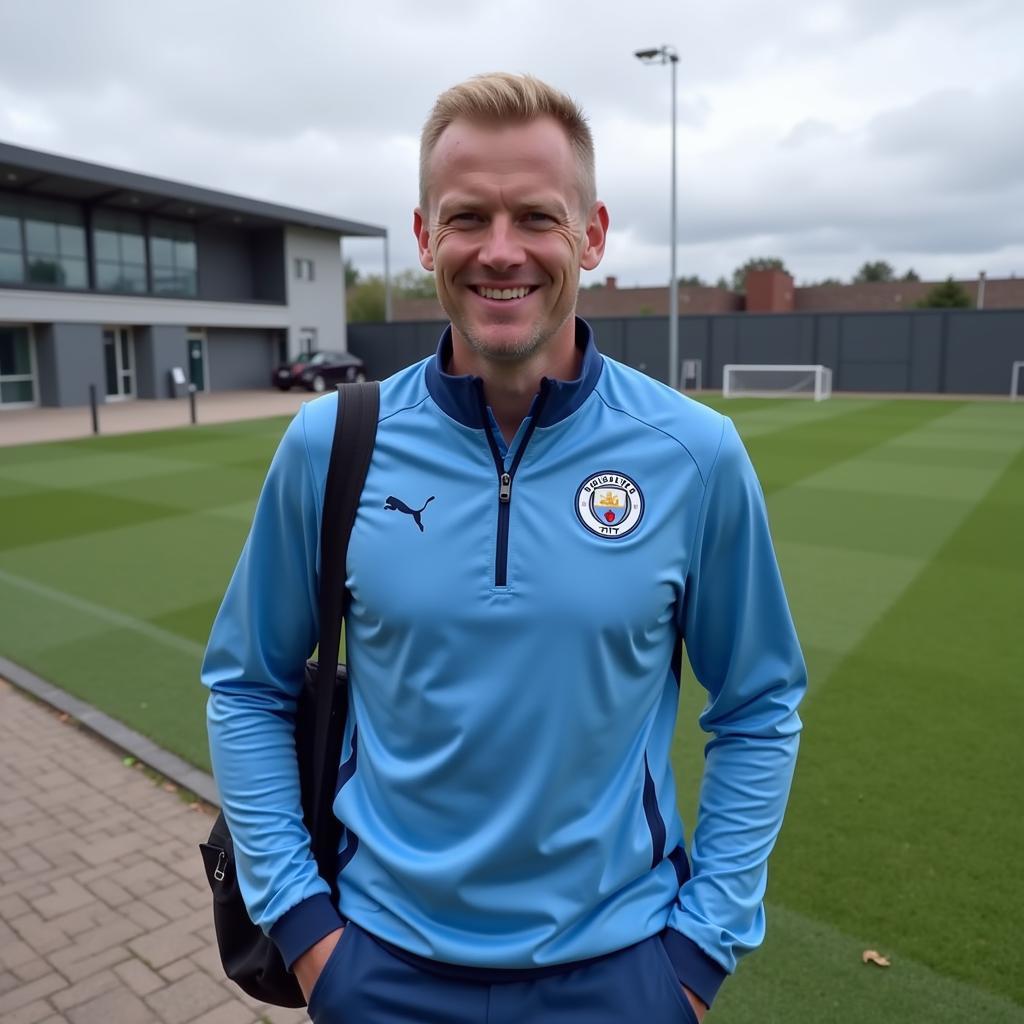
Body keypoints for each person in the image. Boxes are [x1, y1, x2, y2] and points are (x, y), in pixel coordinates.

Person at [202, 72, 806, 1023]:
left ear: (593, 235)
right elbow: (245, 685)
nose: (500, 251)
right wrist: (304, 929)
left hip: (622, 980)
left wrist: (696, 959)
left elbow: (761, 705)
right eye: (467, 217)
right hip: (376, 972)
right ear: (423, 237)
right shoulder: (331, 444)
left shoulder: (694, 457)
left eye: (536, 216)